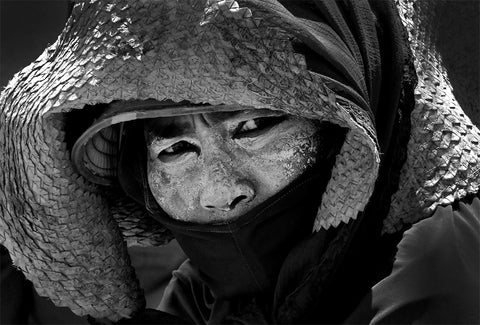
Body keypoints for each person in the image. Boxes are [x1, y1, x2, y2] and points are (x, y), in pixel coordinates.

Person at [0, 0, 479, 324]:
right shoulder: (207, 289)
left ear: (341, 124)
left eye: (253, 128)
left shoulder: (434, 268)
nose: (224, 190)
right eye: (175, 150)